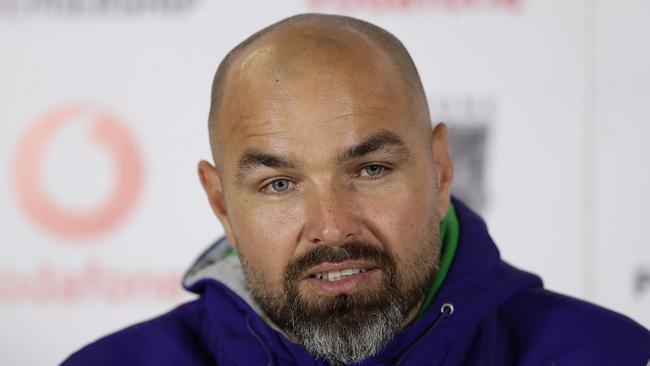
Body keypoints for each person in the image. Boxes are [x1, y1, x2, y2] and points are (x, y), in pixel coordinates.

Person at [63, 13, 650, 366]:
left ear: (440, 171)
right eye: (280, 184)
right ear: (221, 203)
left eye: (370, 170)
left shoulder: (610, 356)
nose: (333, 226)